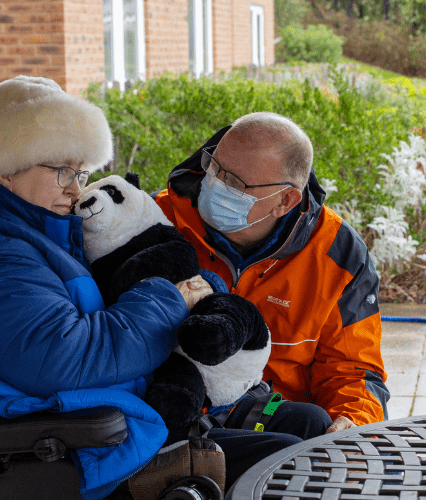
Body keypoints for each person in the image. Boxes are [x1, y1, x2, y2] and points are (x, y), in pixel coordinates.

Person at [0, 77, 330, 500]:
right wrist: (173, 297)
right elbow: (72, 360)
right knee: (289, 463)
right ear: (5, 167)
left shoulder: (31, 230)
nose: (76, 189)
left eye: (81, 172)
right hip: (78, 450)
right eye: (62, 170)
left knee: (310, 427)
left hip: (110, 415)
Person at [155, 112, 390, 433]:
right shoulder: (158, 218)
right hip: (169, 406)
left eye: (235, 182)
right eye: (214, 166)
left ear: (286, 199)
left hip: (274, 418)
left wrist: (351, 421)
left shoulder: (338, 253)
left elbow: (352, 368)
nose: (215, 183)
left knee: (328, 434)